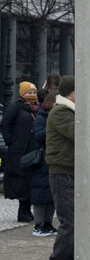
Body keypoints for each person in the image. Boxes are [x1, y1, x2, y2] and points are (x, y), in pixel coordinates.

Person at [45, 75, 75, 260]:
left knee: (75, 222)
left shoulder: (69, 111)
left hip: (71, 172)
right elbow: (80, 132)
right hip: (62, 173)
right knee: (69, 222)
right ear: (71, 92)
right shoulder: (61, 112)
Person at [0, 81, 39, 222]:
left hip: (31, 151)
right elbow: (5, 124)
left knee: (29, 181)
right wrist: (11, 142)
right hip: (19, 152)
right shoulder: (16, 107)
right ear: (22, 93)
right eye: (29, 92)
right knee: (21, 181)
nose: (32, 95)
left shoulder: (35, 108)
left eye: (34, 92)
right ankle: (22, 211)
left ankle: (27, 210)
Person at [31, 90, 58, 236]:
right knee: (40, 194)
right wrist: (52, 128)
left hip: (51, 159)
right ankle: (38, 224)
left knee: (51, 194)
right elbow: (39, 135)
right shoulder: (41, 117)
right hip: (42, 160)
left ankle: (48, 223)